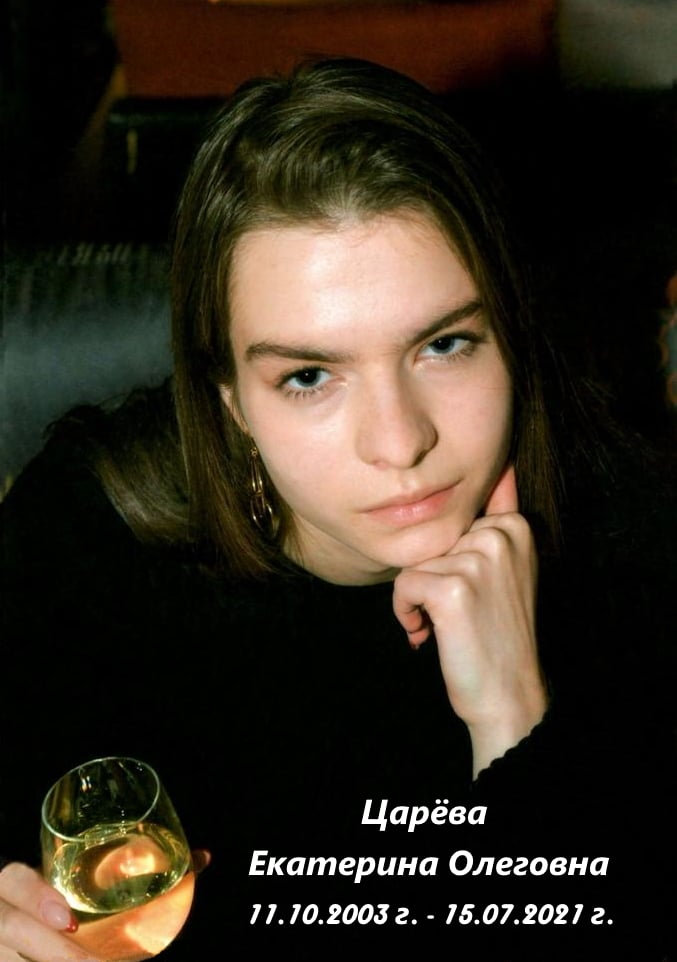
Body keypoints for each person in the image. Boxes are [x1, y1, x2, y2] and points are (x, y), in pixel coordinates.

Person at [1, 57, 675, 962]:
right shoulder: (87, 544)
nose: (398, 443)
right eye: (310, 376)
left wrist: (513, 724)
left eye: (444, 345)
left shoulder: (634, 557)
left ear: (510, 338)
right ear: (231, 402)